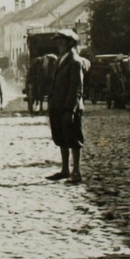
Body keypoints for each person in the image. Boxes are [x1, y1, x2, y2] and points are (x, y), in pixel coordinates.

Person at [46, 29, 90, 185]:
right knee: (61, 138)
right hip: (57, 105)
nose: (59, 44)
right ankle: (65, 169)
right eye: (57, 41)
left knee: (73, 138)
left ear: (71, 43)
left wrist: (70, 110)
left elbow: (76, 88)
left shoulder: (75, 62)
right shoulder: (60, 59)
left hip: (69, 107)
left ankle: (76, 172)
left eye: (62, 41)